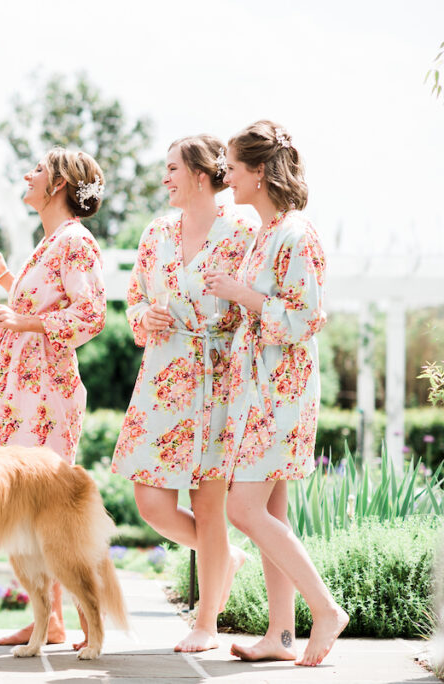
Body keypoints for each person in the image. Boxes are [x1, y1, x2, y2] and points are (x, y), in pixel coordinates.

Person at [205, 120, 348, 666]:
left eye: (234, 167)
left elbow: (307, 317)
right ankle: (281, 636)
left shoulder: (296, 233)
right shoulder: (267, 232)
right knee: (270, 513)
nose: (227, 176)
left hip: (279, 391)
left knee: (243, 509)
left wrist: (242, 293)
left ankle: (326, 609)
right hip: (257, 388)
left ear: (259, 171)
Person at [111, 135, 256, 652]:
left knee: (209, 505)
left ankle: (207, 621)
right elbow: (133, 301)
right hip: (162, 375)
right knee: (149, 501)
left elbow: (255, 303)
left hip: (216, 378)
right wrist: (143, 317)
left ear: (200, 173)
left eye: (172, 168)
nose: (165, 177)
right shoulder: (156, 232)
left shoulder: (243, 231)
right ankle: (225, 558)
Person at [0, 146, 108, 648]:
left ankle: (85, 621)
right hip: (20, 390)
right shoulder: (50, 241)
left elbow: (90, 316)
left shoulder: (76, 241)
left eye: (36, 170)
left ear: (57, 185)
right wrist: (7, 279)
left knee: (47, 508)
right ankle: (47, 620)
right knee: (19, 508)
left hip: (47, 391)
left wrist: (22, 320)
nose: (26, 175)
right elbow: (44, 301)